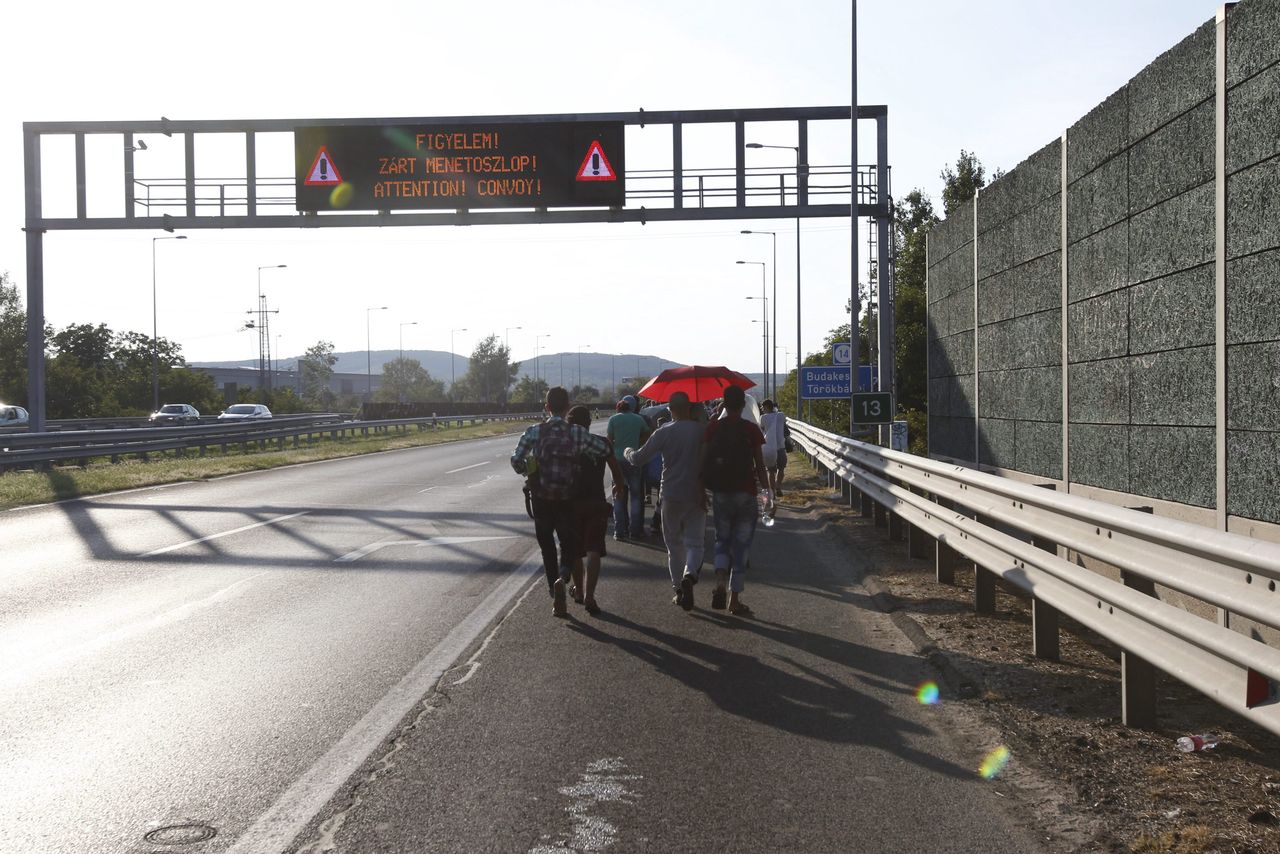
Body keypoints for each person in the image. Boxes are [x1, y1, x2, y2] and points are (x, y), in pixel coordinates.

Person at [511, 386, 612, 617]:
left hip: (541, 499)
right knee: (568, 544)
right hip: (567, 499)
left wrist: (528, 469)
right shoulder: (576, 432)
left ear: (546, 407)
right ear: (568, 407)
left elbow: (516, 460)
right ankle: (564, 576)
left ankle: (554, 593)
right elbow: (604, 449)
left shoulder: (534, 432)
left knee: (547, 548)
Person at [624, 391, 707, 610]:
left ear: (670, 409)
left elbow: (638, 459)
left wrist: (627, 451)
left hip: (670, 493)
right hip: (696, 493)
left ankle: (678, 588)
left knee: (673, 544)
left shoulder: (664, 431)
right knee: (695, 543)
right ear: (689, 408)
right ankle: (690, 574)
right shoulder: (702, 431)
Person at [699, 384, 769, 616]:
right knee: (741, 547)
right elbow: (760, 466)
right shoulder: (751, 430)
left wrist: (701, 489)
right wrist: (768, 495)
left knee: (722, 540)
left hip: (721, 492)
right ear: (743, 404)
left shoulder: (713, 427)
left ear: (724, 404)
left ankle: (720, 581)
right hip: (746, 493)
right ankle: (734, 600)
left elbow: (703, 460)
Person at [566, 404, 622, 615]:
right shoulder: (602, 443)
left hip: (571, 504)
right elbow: (615, 469)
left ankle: (578, 591)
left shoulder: (564, 445)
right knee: (594, 549)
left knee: (574, 550)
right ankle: (590, 595)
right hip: (596, 502)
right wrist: (619, 486)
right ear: (589, 423)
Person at [607, 396, 651, 541]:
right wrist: (638, 442)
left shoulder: (613, 419)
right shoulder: (638, 419)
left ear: (618, 408)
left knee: (618, 494)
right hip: (633, 459)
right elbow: (647, 434)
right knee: (636, 496)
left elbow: (609, 440)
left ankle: (620, 531)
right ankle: (635, 531)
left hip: (617, 460)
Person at [759, 398, 789, 498]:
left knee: (771, 470)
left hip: (769, 447)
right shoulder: (781, 415)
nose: (762, 409)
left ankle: (772, 492)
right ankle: (778, 486)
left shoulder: (763, 418)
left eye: (762, 407)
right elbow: (784, 426)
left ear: (766, 407)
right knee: (781, 468)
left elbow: (762, 429)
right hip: (780, 446)